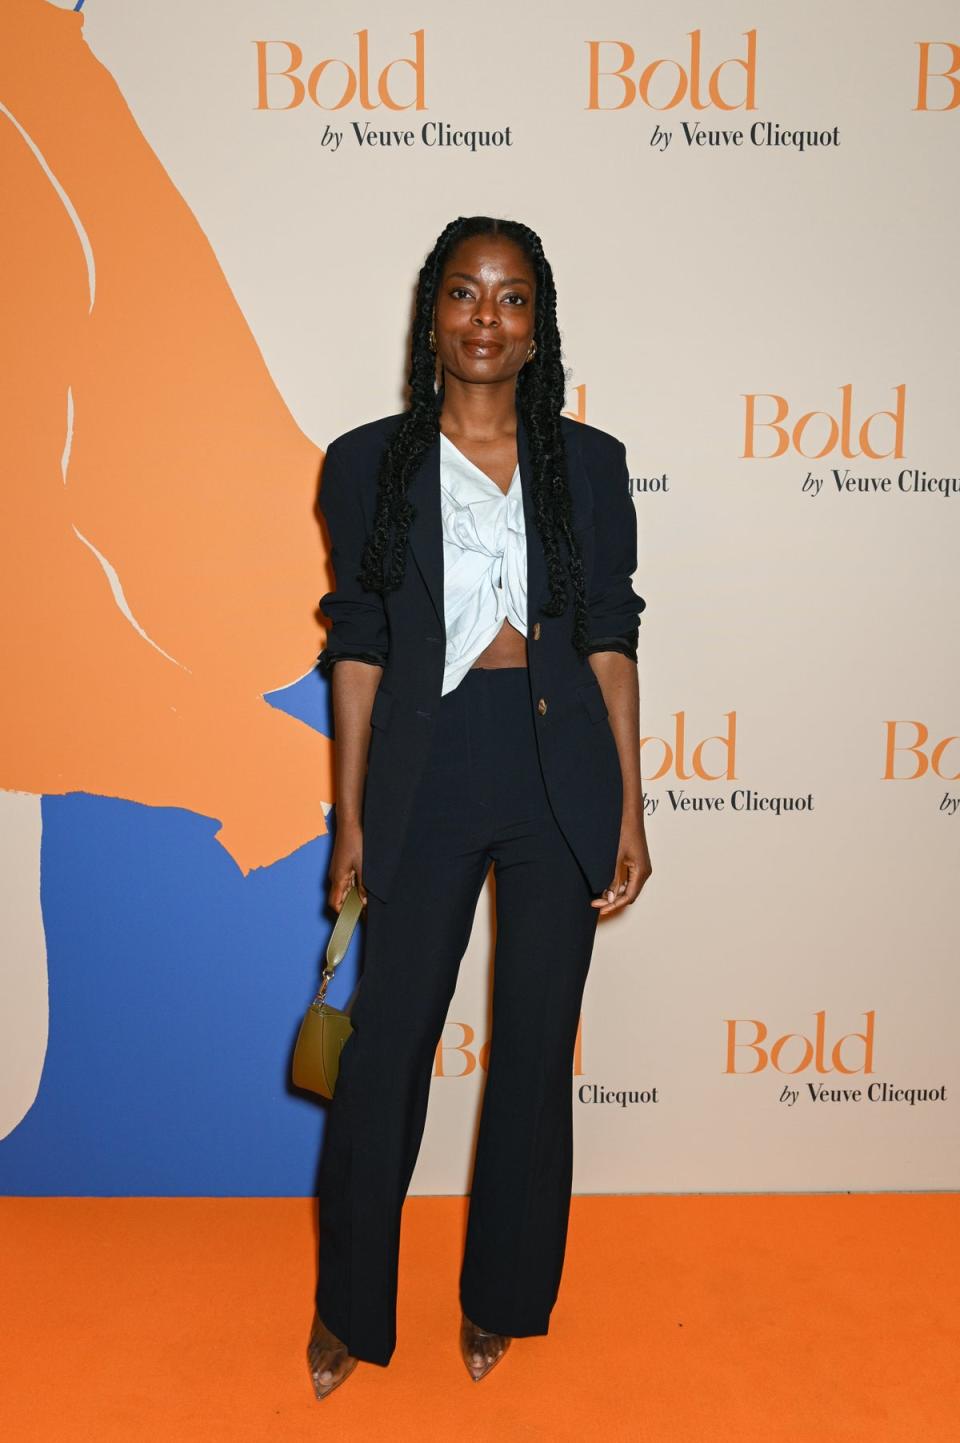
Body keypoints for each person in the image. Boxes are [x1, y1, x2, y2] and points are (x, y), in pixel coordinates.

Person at [307, 215, 652, 1400]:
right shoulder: (367, 463)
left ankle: (501, 1298)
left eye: (510, 298)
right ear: (433, 312)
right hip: (428, 768)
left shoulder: (590, 464)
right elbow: (356, 644)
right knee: (389, 1048)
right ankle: (351, 1308)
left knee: (532, 1055)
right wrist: (351, 816)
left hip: (560, 773)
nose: (486, 319)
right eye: (465, 294)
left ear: (538, 321)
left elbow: (610, 636)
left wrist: (632, 804)